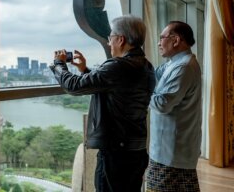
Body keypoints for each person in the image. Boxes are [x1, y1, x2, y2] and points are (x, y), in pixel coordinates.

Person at [50, 15, 155, 192]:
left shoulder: (118, 66)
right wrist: (85, 70)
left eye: (110, 38)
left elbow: (73, 86)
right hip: (135, 149)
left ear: (121, 39)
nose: (109, 43)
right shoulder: (146, 66)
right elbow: (116, 86)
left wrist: (59, 64)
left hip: (116, 153)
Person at [146, 21, 202, 192]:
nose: (158, 43)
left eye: (161, 38)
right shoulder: (174, 63)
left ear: (176, 40)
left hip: (170, 151)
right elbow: (152, 76)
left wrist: (139, 92)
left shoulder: (183, 67)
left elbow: (162, 104)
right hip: (171, 148)